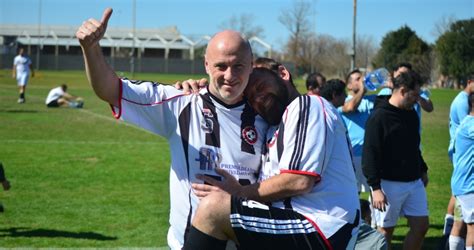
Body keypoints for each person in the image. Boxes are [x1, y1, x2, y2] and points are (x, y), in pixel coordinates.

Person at [76, 8, 272, 249]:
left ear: (251, 66)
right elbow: (110, 89)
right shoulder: (179, 102)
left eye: (238, 66)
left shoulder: (269, 116)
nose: (229, 75)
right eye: (221, 66)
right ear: (206, 65)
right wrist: (91, 49)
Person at [183, 68, 360, 250]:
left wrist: (239, 193)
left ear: (283, 74)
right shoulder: (271, 129)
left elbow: (299, 180)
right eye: (251, 99)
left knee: (213, 210)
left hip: (321, 227)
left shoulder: (307, 104)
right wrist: (202, 90)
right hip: (293, 225)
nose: (258, 99)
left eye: (260, 87)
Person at [362, 70, 429, 249]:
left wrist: (422, 168)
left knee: (421, 226)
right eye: (415, 94)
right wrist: (375, 187)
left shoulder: (411, 113)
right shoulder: (379, 117)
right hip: (388, 184)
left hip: (414, 182)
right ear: (402, 90)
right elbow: (370, 154)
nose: (417, 99)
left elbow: (413, 145)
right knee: (385, 233)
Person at [448, 75, 474, 250]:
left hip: (461, 184)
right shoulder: (472, 125)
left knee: (459, 223)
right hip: (469, 186)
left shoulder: (466, 122)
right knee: (472, 228)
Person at [339, 68, 376, 193]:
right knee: (354, 192)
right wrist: (362, 90)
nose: (362, 81)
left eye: (362, 78)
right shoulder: (343, 100)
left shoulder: (370, 100)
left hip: (371, 155)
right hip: (353, 155)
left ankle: (372, 213)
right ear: (349, 85)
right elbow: (350, 108)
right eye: (357, 79)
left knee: (376, 191)